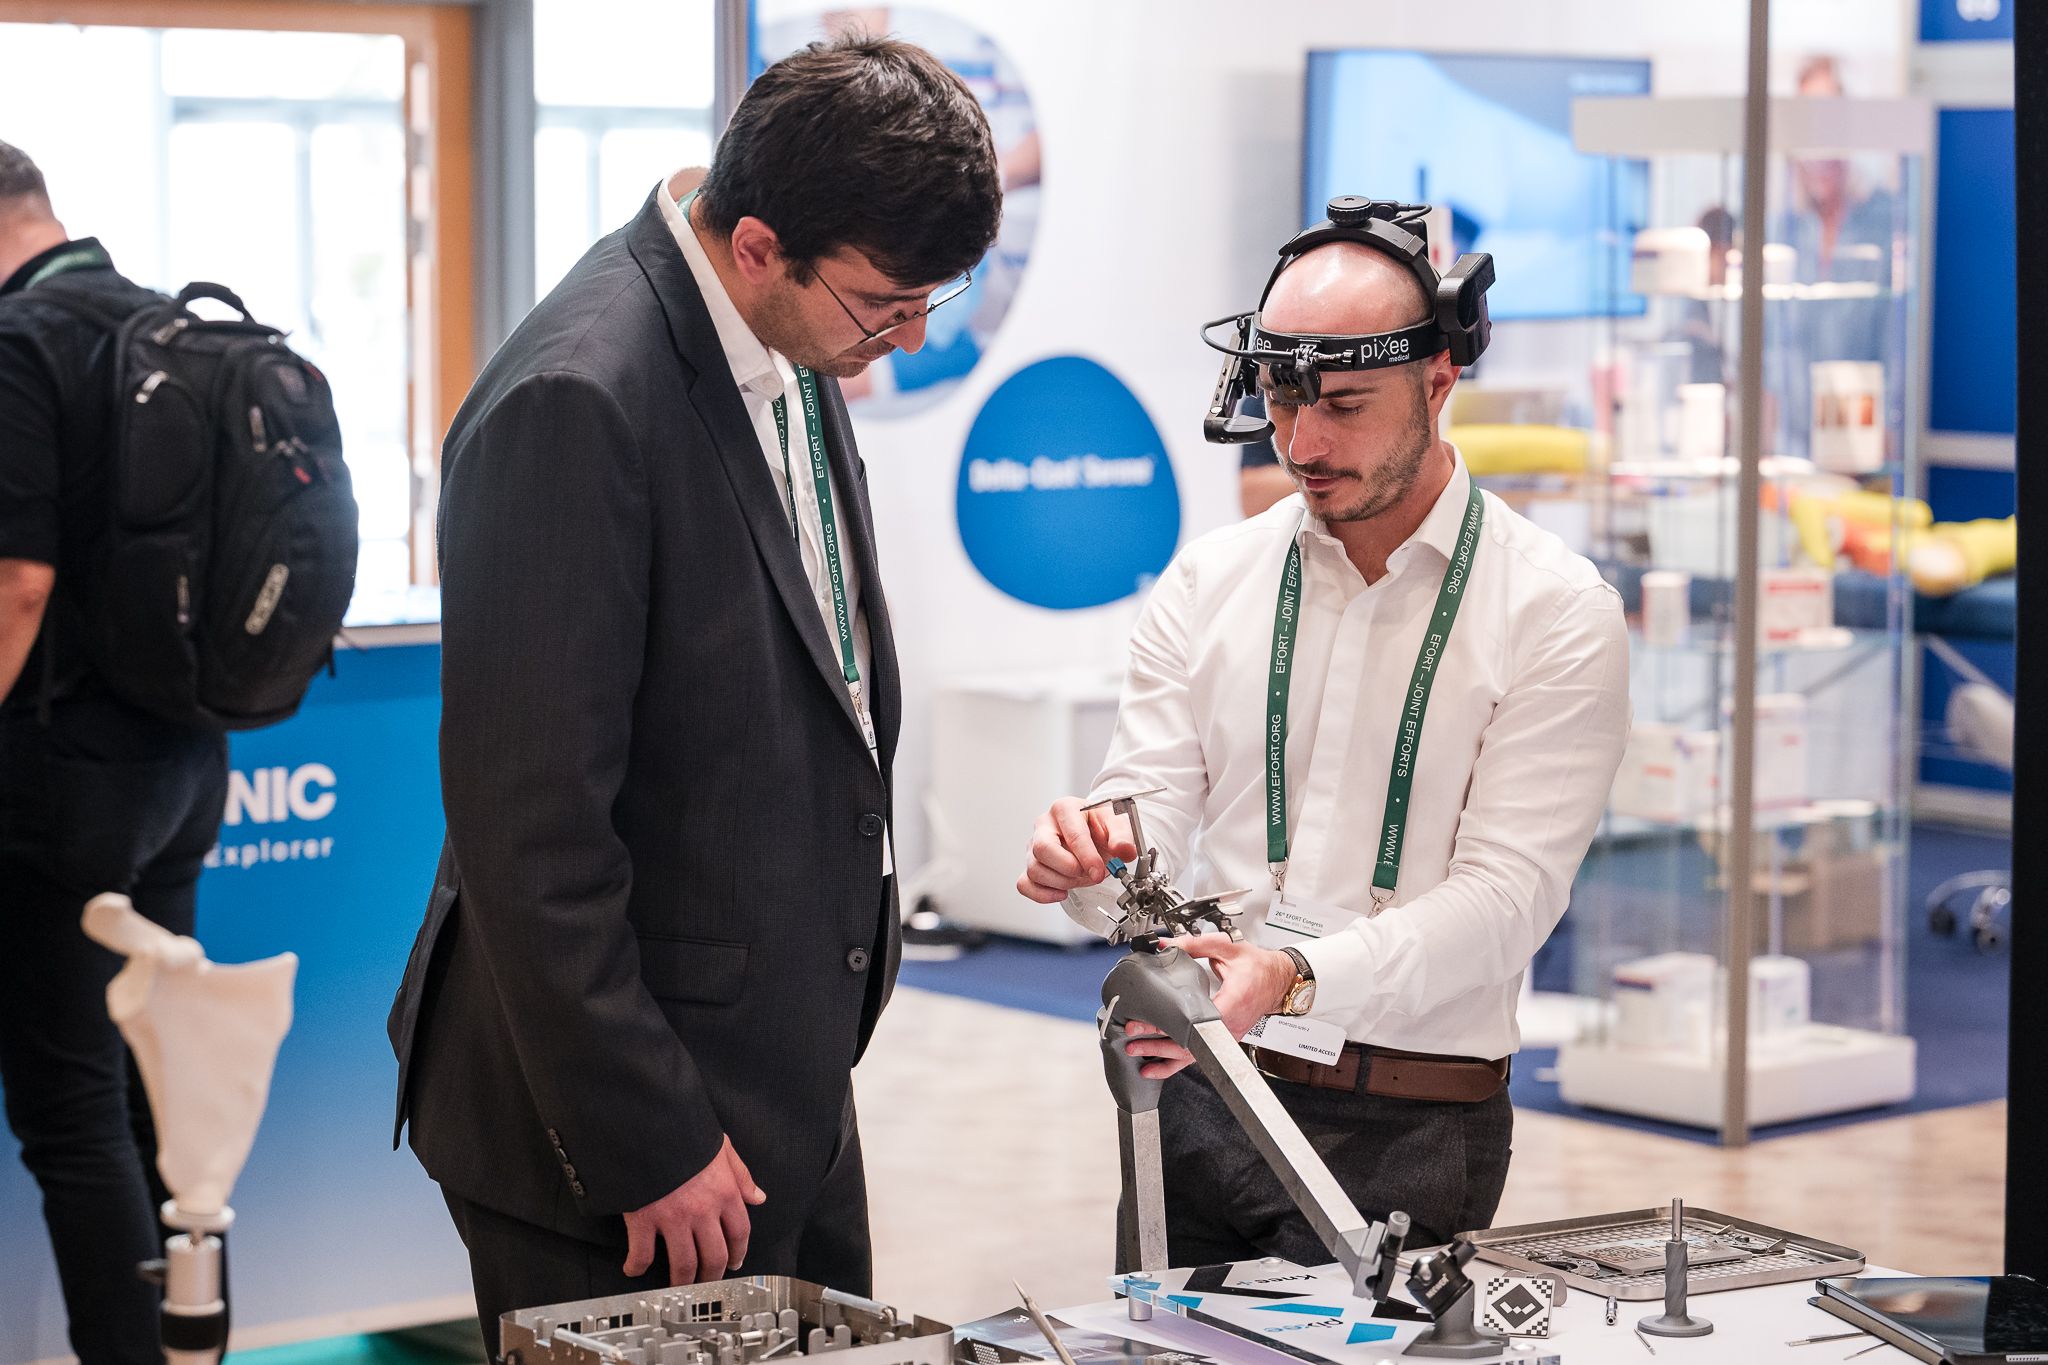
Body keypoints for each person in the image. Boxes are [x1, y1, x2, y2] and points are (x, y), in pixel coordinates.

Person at [386, 35, 1001, 1348]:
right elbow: (530, 830)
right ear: (760, 245)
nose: (900, 344)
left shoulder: (784, 333)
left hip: (781, 1080)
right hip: (623, 1134)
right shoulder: (577, 398)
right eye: (885, 306)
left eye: (925, 306)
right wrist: (647, 1134)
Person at [1018, 234, 1630, 1263]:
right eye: (1280, 399)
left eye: (1344, 405)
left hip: (1408, 1124)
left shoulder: (1555, 611)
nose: (1302, 441)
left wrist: (1292, 975)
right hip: (1198, 1087)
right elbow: (1145, 809)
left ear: (1438, 381)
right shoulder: (1209, 580)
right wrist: (1095, 858)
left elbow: (1504, 905)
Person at [0, 142, 231, 1365]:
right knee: (157, 1096)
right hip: (187, 760)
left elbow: (18, 585)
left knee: (71, 1108)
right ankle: (191, 1346)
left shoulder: (20, 343)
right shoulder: (165, 325)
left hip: (65, 776)